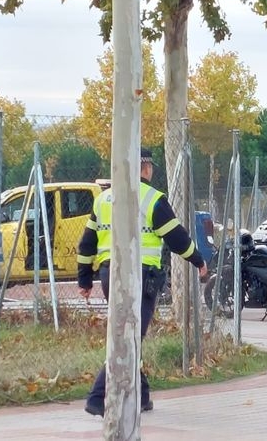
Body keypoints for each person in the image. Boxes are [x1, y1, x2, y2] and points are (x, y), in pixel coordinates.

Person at [77, 148, 208, 417]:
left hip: (108, 275)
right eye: (150, 167)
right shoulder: (153, 199)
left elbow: (87, 242)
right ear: (145, 168)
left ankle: (143, 396)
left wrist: (84, 279)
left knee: (129, 332)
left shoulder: (103, 200)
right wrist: (198, 260)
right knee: (130, 337)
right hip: (140, 277)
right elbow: (176, 238)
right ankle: (97, 397)